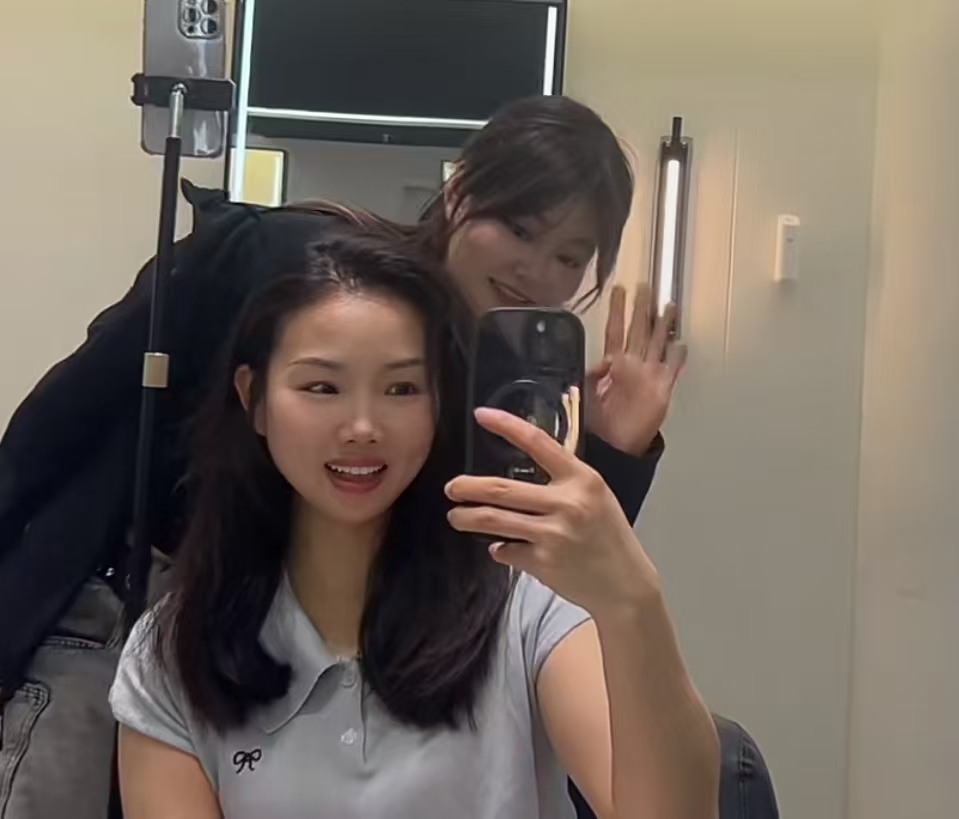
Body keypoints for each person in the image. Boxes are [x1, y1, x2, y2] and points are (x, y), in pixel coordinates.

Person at [0, 95, 686, 819]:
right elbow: (68, 413)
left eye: (570, 257)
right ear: (459, 193)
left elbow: (527, 562)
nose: (535, 269)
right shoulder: (288, 264)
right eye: (518, 228)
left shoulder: (489, 379)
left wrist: (615, 452)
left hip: (326, 653)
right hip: (129, 605)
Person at [110, 227, 719, 819]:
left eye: (402, 389)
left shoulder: (526, 608)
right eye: (322, 387)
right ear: (256, 399)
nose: (363, 427)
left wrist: (631, 600)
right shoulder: (173, 650)